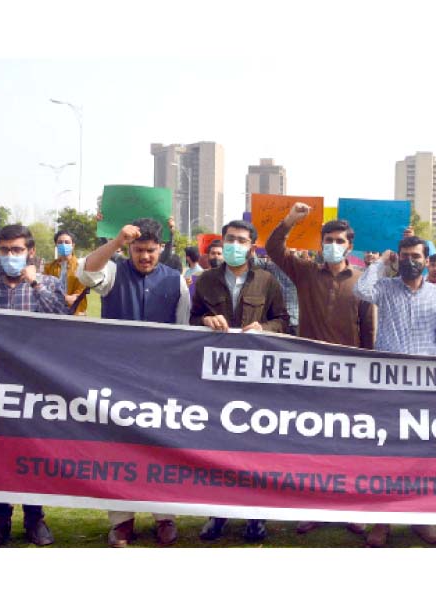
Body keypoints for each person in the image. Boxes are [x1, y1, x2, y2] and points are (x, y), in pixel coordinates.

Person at [77, 218, 191, 547]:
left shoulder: (177, 282)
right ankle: (121, 521)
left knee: (162, 449)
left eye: (151, 251)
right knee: (117, 450)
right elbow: (86, 272)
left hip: (161, 381)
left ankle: (164, 515)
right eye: (138, 250)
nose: (145, 257)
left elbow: (183, 331)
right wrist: (114, 242)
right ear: (129, 248)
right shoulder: (113, 272)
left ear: (162, 249)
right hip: (116, 377)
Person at [266, 202, 374, 539]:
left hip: (351, 378)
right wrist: (291, 221)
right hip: (310, 374)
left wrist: (368, 375)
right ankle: (311, 509)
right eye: (327, 239)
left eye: (339, 240)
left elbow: (368, 332)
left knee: (349, 446)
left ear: (349, 245)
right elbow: (273, 249)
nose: (332, 244)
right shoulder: (306, 271)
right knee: (311, 444)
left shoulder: (362, 281)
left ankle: (351, 510)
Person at [192, 219, 289, 543]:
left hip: (256, 378)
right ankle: (217, 514)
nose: (234, 245)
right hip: (216, 379)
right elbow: (190, 319)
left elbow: (283, 321)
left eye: (241, 240)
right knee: (217, 449)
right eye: (229, 239)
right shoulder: (205, 280)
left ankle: (255, 516)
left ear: (252, 246)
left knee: (255, 449)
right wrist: (205, 319)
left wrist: (266, 329)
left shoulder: (267, 281)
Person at [355, 234, 436, 547]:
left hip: (425, 385)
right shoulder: (384, 288)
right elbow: (361, 289)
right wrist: (382, 262)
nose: (410, 261)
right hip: (388, 383)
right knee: (385, 453)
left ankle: (419, 517)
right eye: (405, 255)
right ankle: (381, 522)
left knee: (421, 455)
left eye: (416, 256)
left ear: (427, 260)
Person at [0, 224, 68, 548]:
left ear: (30, 251)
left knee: (32, 452)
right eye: (5, 250)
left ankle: (34, 518)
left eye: (16, 250)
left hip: (35, 387)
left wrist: (35, 282)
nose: (10, 256)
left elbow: (63, 318)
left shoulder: (49, 284)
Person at [43, 230, 88, 315]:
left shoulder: (82, 266)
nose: (63, 245)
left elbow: (79, 292)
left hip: (76, 312)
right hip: (53, 312)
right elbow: (45, 289)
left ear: (73, 245)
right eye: (60, 242)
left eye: (67, 242)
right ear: (56, 245)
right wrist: (63, 298)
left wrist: (62, 298)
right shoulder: (48, 267)